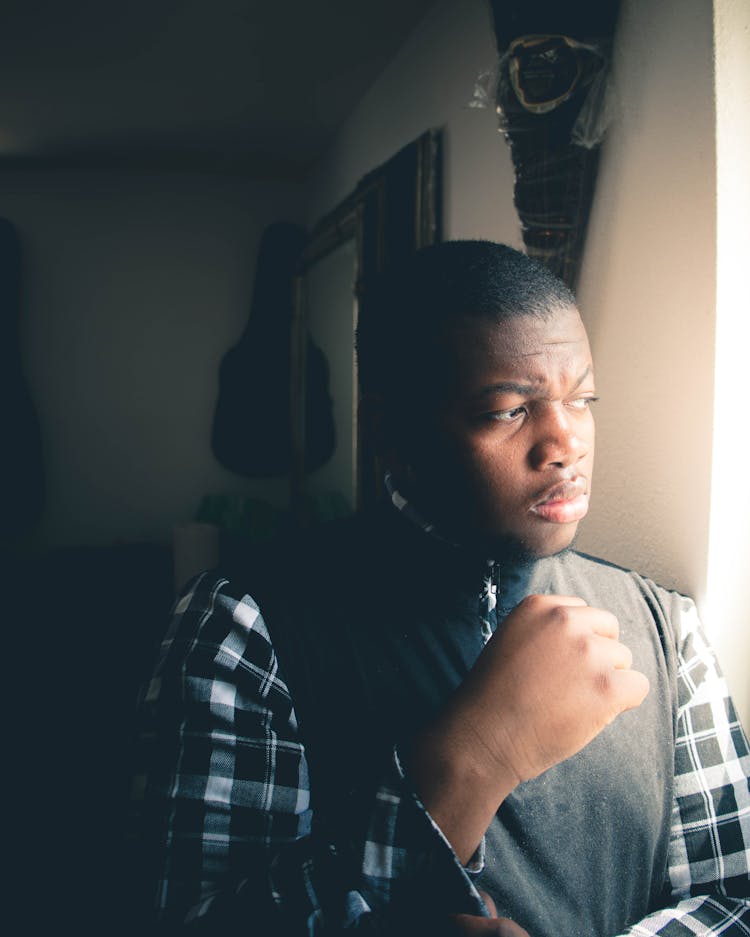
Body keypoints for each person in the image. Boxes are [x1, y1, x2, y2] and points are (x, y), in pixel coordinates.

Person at [135, 241, 750, 936]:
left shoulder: (666, 627)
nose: (565, 441)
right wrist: (478, 754)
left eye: (582, 399)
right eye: (508, 410)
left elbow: (734, 896)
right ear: (392, 427)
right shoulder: (242, 622)